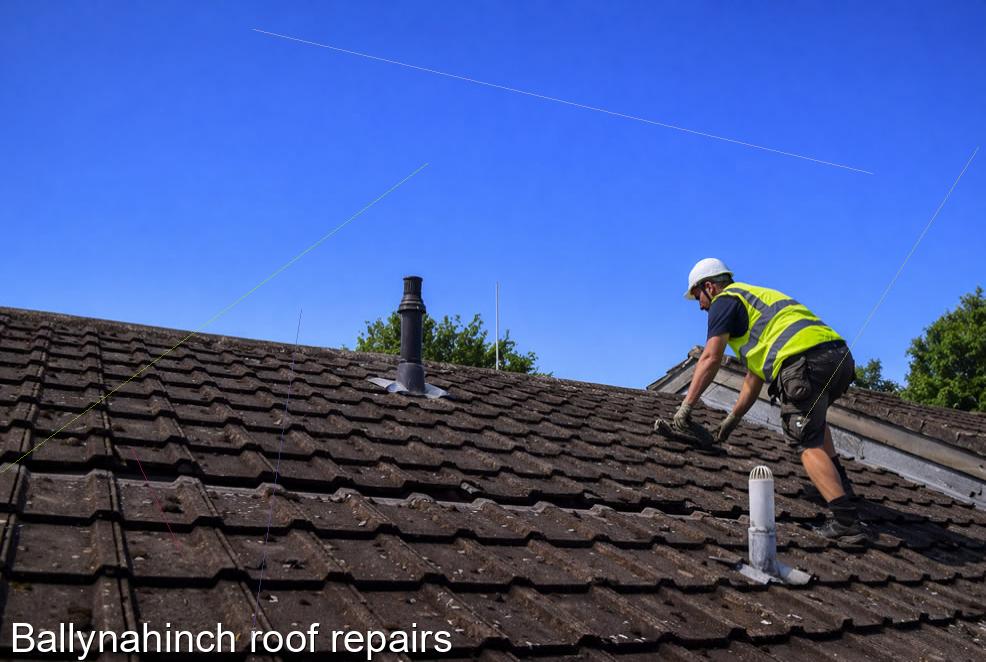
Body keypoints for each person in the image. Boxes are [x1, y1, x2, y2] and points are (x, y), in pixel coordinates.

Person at [670, 258, 863, 542]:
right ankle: (843, 487)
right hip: (837, 359)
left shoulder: (725, 300)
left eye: (698, 296)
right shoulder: (755, 302)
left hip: (804, 362)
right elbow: (752, 379)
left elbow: (710, 357)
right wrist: (730, 422)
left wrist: (686, 407)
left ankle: (846, 522)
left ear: (709, 287)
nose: (700, 305)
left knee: (803, 441)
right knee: (814, 422)